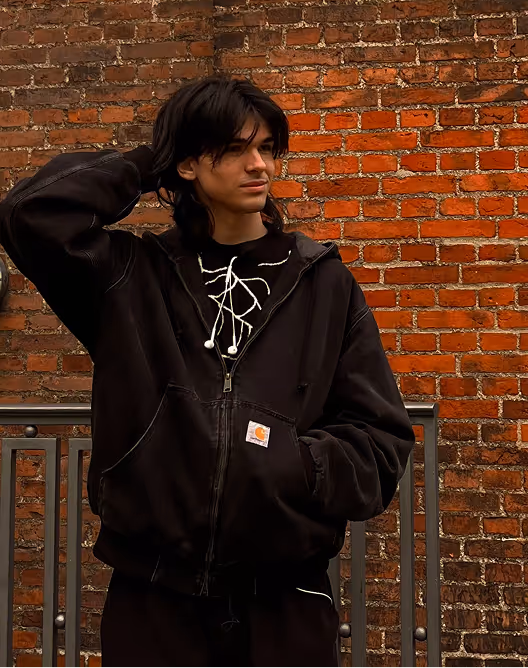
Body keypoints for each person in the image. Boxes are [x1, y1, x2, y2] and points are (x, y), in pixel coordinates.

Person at [0, 76, 415, 668]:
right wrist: (152, 162)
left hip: (285, 600)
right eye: (234, 149)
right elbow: (30, 213)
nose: (259, 165)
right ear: (192, 163)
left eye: (268, 148)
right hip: (153, 599)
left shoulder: (323, 284)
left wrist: (288, 463)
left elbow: (381, 441)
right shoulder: (132, 277)